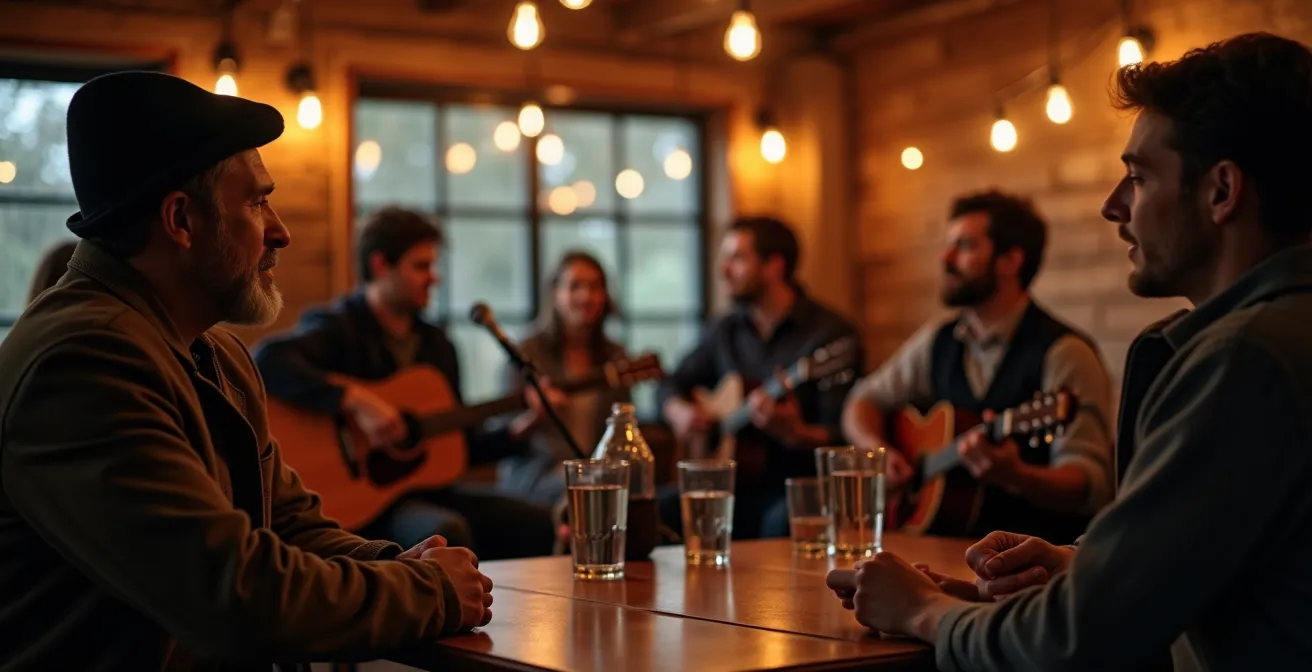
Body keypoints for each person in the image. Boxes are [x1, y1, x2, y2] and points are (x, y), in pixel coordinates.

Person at [828, 32, 1312, 671]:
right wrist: (1086, 563)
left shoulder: (1242, 360)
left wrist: (922, 610)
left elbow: (1076, 642)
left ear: (1222, 191)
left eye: (1138, 177)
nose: (1113, 205)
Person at [0, 72, 491, 671]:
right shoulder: (83, 362)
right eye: (257, 202)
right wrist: (429, 591)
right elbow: (233, 596)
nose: (280, 230)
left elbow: (285, 525)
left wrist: (401, 563)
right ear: (181, 220)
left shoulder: (216, 352)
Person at [253, 206, 556, 560]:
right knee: (445, 532)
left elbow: (461, 448)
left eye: (433, 266)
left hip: (430, 493)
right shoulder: (340, 327)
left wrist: (523, 428)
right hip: (365, 503)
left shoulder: (437, 345)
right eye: (421, 266)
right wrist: (355, 401)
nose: (434, 278)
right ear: (381, 265)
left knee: (541, 523)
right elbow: (268, 359)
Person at [841, 191, 1116, 545]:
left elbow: (1091, 483)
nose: (945, 258)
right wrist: (877, 452)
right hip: (941, 546)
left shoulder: (1065, 354)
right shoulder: (939, 339)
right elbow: (861, 401)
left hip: (1030, 561)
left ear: (1010, 261)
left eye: (965, 246)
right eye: (947, 245)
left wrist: (1018, 476)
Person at [657, 216, 864, 540]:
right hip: (729, 486)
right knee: (655, 509)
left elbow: (846, 435)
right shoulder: (725, 330)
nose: (723, 270)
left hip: (794, 487)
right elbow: (670, 382)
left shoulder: (830, 336)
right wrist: (678, 410)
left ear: (773, 266)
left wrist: (798, 433)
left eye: (737, 258)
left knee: (778, 522)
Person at [497, 250, 629, 505]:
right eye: (575, 286)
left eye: (595, 287)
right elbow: (504, 432)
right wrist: (535, 417)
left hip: (596, 475)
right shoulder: (526, 354)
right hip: (536, 477)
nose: (586, 296)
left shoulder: (615, 357)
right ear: (556, 294)